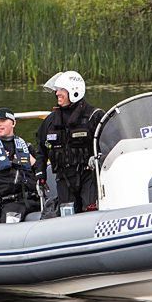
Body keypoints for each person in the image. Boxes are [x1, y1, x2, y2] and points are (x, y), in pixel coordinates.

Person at [34, 71, 104, 216]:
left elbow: (109, 144)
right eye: (57, 90)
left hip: (88, 176)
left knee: (91, 212)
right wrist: (41, 175)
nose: (57, 93)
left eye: (61, 90)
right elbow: (41, 149)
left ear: (74, 91)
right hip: (63, 178)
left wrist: (98, 159)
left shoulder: (94, 116)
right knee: (67, 215)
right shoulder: (50, 121)